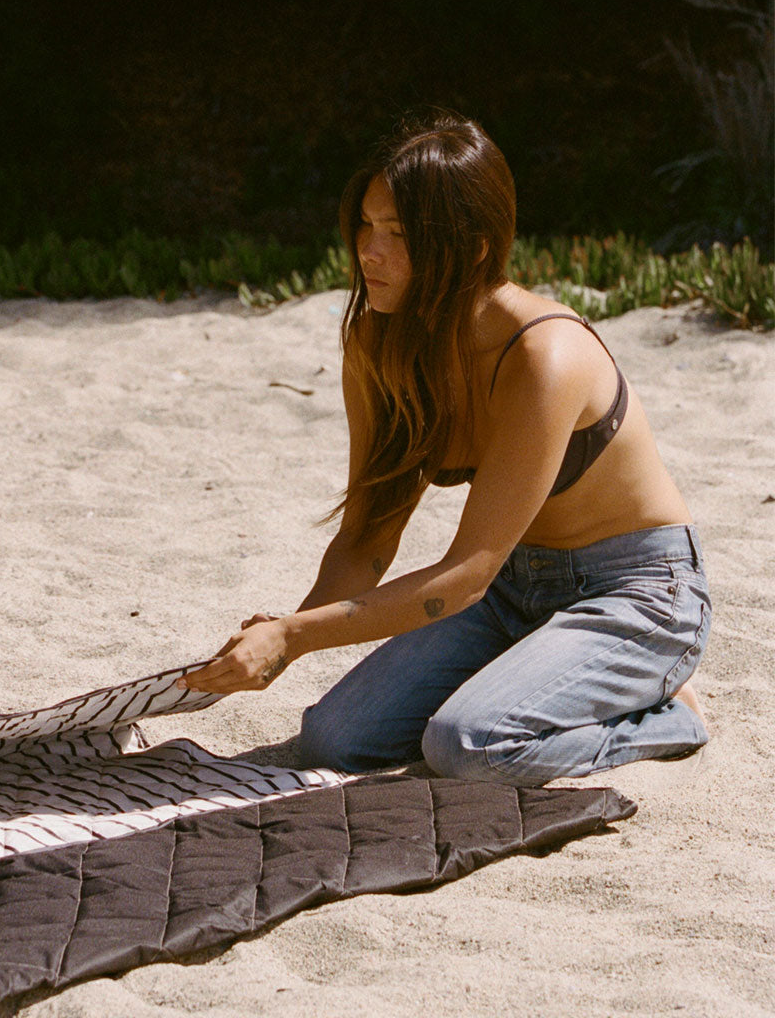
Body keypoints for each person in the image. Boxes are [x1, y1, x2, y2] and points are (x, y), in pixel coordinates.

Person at [178, 110, 710, 787]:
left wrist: (296, 635)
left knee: (468, 744)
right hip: (513, 590)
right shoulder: (379, 343)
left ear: (475, 249)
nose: (370, 251)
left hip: (635, 594)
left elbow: (466, 573)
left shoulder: (544, 356)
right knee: (333, 740)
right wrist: (288, 631)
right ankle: (544, 673)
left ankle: (671, 714)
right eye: (366, 225)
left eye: (399, 235)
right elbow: (368, 536)